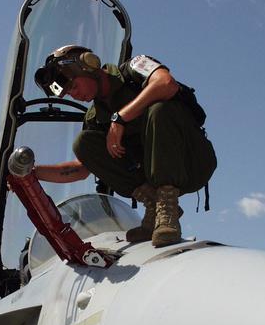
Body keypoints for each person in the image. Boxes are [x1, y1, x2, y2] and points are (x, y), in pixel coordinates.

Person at [32, 45, 217, 247]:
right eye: (68, 94)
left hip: (191, 161)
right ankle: (154, 204)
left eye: (74, 87)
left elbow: (166, 83)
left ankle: (167, 209)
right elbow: (81, 168)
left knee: (159, 108)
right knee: (84, 143)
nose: (74, 95)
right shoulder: (95, 118)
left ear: (88, 65)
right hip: (154, 170)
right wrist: (31, 173)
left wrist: (119, 119)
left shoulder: (134, 67)